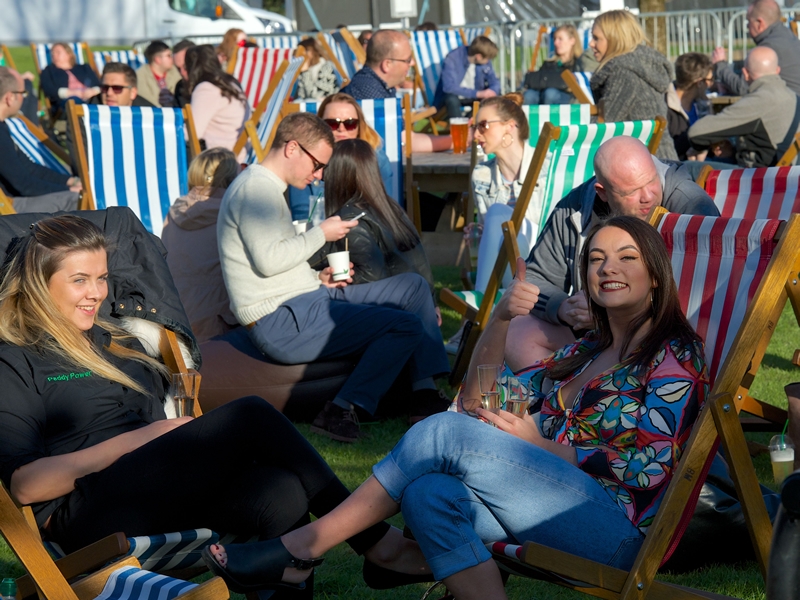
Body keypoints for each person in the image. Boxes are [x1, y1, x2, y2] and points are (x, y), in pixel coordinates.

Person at [202, 216, 708, 600]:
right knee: (428, 492)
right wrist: (501, 323)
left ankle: (306, 546)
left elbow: (650, 469)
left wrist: (546, 448)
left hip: (615, 528)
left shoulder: (674, 356)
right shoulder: (584, 351)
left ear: (656, 275)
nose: (608, 268)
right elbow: (481, 402)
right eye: (596, 259)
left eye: (626, 257)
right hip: (546, 500)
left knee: (442, 433)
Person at [0, 214, 430, 593]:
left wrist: (175, 440)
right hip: (84, 514)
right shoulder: (14, 358)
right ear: (39, 283)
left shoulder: (117, 344)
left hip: (151, 489)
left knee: (279, 493)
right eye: (79, 280)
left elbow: (157, 444)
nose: (97, 293)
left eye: (102, 277)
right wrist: (150, 437)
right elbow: (25, 486)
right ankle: (379, 544)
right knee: (251, 415)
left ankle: (361, 553)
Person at [216, 112, 450, 442]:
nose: (320, 175)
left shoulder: (265, 188)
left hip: (304, 301)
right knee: (404, 324)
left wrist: (316, 277)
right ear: (292, 148)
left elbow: (274, 258)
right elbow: (269, 261)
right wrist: (321, 233)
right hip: (281, 320)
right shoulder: (255, 191)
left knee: (411, 287)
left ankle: (423, 392)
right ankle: (340, 409)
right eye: (317, 165)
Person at [504, 136, 719, 371]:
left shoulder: (692, 208)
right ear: (602, 192)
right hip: (598, 339)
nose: (647, 196)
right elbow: (535, 277)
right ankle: (562, 404)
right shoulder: (576, 208)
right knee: (517, 332)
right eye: (632, 191)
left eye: (652, 180)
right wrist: (564, 307)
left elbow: (708, 291)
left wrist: (604, 310)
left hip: (660, 346)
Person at [308, 139, 438, 326]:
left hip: (392, 319)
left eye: (324, 169)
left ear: (338, 175)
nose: (319, 176)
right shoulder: (390, 207)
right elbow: (419, 258)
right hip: (418, 309)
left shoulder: (349, 222)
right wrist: (432, 303)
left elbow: (371, 281)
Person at [161, 148, 240, 343]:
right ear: (232, 178)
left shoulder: (174, 212)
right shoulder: (232, 212)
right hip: (221, 330)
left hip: (177, 325)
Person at [288, 92, 396, 221]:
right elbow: (302, 214)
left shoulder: (377, 159)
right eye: (332, 123)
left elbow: (384, 212)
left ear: (359, 127)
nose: (341, 129)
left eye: (350, 123)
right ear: (320, 126)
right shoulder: (304, 159)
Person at [688, 46, 800, 168]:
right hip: (791, 176)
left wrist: (701, 148)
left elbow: (696, 133)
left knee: (690, 168)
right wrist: (733, 151)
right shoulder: (793, 97)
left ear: (745, 74)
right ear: (777, 70)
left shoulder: (760, 101)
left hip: (764, 179)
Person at [341, 30, 451, 152]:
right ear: (387, 64)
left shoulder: (379, 85)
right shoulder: (370, 94)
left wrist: (453, 140)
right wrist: (458, 140)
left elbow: (406, 138)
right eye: (407, 60)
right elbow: (403, 142)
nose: (412, 63)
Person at [588, 10, 678, 160]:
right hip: (658, 158)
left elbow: (604, 124)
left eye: (596, 38)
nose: (591, 43)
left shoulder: (624, 73)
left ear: (615, 39)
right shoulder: (640, 65)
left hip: (645, 165)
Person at [0, 68, 80, 213]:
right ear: (10, 97)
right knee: (78, 200)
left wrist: (70, 181)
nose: (24, 98)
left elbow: (29, 167)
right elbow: (24, 185)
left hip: (16, 197)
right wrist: (69, 189)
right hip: (9, 206)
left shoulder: (3, 126)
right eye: (22, 93)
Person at [711, 0, 800, 96]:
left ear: (759, 23)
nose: (748, 27)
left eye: (749, 22)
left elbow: (743, 88)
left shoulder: (769, 48)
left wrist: (720, 65)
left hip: (788, 108)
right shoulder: (788, 37)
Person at [184, 45, 250, 161]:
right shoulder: (230, 83)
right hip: (243, 153)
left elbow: (192, 133)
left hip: (223, 160)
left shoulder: (206, 89)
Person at [521, 24, 598, 106]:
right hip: (545, 95)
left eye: (560, 39)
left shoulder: (579, 63)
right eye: (554, 39)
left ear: (572, 40)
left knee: (550, 94)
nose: (555, 43)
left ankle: (550, 118)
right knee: (529, 95)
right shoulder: (549, 63)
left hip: (568, 98)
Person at [433, 35, 500, 119]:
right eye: (487, 59)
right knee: (451, 99)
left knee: (494, 98)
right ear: (478, 57)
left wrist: (492, 91)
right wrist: (478, 93)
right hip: (453, 98)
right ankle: (460, 128)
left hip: (474, 98)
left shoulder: (484, 60)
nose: (488, 61)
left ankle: (469, 124)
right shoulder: (453, 58)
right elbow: (449, 87)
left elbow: (494, 81)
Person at [666, 53, 713, 161]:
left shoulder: (703, 105)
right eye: (710, 80)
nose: (711, 85)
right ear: (699, 83)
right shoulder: (665, 107)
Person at [39, 43, 100, 111]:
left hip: (90, 98)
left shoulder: (84, 68)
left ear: (69, 54)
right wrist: (71, 93)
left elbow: (98, 85)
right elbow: (49, 90)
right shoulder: (48, 71)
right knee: (74, 100)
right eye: (52, 52)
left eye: (58, 52)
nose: (53, 54)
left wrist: (93, 91)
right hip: (67, 102)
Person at [135, 41, 181, 108]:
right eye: (169, 56)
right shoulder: (140, 76)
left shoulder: (175, 71)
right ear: (158, 60)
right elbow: (145, 100)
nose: (172, 59)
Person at [172, 39, 197, 108]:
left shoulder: (214, 85)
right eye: (178, 68)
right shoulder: (180, 87)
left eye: (185, 67)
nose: (182, 72)